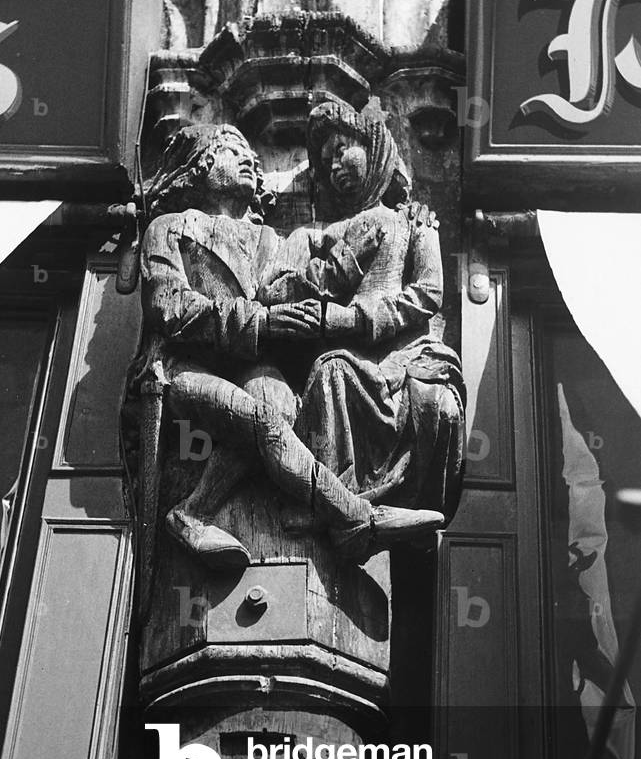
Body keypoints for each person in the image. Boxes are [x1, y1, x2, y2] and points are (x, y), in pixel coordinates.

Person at [128, 122, 444, 570]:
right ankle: (356, 518)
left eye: (249, 154)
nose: (247, 160)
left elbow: (322, 259)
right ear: (199, 167)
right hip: (184, 365)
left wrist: (398, 222)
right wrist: (264, 321)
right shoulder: (172, 228)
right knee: (261, 418)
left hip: (250, 363)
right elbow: (171, 307)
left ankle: (192, 512)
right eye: (229, 149)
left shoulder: (272, 241)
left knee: (277, 407)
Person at [257, 100, 464, 531]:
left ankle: (383, 505)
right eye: (326, 161)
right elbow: (273, 290)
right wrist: (338, 266)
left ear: (374, 147)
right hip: (348, 360)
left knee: (434, 403)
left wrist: (352, 319)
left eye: (342, 149)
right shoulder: (315, 236)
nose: (335, 166)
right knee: (331, 371)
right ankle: (339, 500)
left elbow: (429, 292)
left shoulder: (414, 224)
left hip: (405, 356)